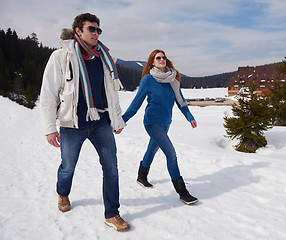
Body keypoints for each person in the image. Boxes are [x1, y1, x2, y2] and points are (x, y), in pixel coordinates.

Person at [39, 13, 130, 232]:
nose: (96, 33)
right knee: (68, 167)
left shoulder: (104, 58)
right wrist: (50, 128)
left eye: (99, 30)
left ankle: (112, 213)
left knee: (111, 167)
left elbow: (111, 94)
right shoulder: (62, 57)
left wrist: (117, 120)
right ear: (78, 31)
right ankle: (63, 193)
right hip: (73, 124)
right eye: (92, 29)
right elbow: (48, 93)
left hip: (101, 122)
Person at [122, 49, 198, 205]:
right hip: (152, 122)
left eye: (164, 57)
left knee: (152, 149)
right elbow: (136, 103)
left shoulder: (173, 80)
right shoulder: (148, 79)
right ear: (153, 62)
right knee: (171, 154)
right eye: (158, 58)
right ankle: (182, 192)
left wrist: (190, 117)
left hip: (165, 123)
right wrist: (122, 120)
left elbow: (181, 102)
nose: (162, 59)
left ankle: (141, 176)